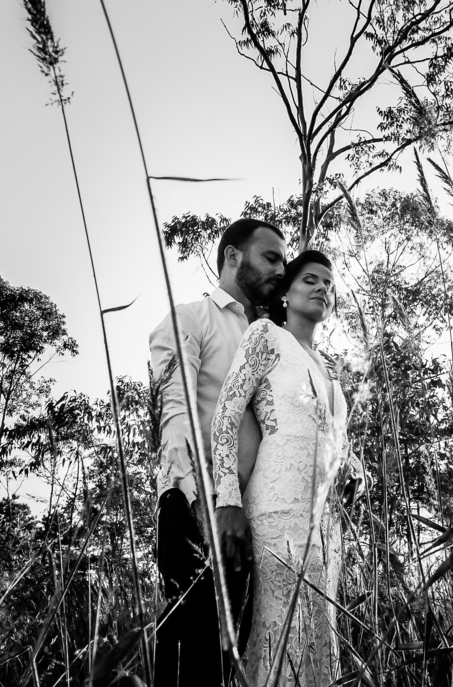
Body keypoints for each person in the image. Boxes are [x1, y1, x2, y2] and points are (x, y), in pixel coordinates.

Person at [211, 250, 363, 687]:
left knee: (320, 634)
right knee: (281, 630)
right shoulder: (267, 336)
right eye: (310, 280)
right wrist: (227, 499)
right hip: (277, 511)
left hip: (326, 525)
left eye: (329, 285)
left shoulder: (330, 369)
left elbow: (335, 439)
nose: (322, 289)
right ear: (286, 294)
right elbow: (227, 413)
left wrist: (354, 465)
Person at [149, 218, 286, 687]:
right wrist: (196, 505)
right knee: (194, 661)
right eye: (271, 257)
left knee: (243, 666)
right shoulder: (192, 318)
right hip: (201, 509)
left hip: (263, 523)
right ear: (232, 256)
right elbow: (176, 414)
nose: (281, 270)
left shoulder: (276, 337)